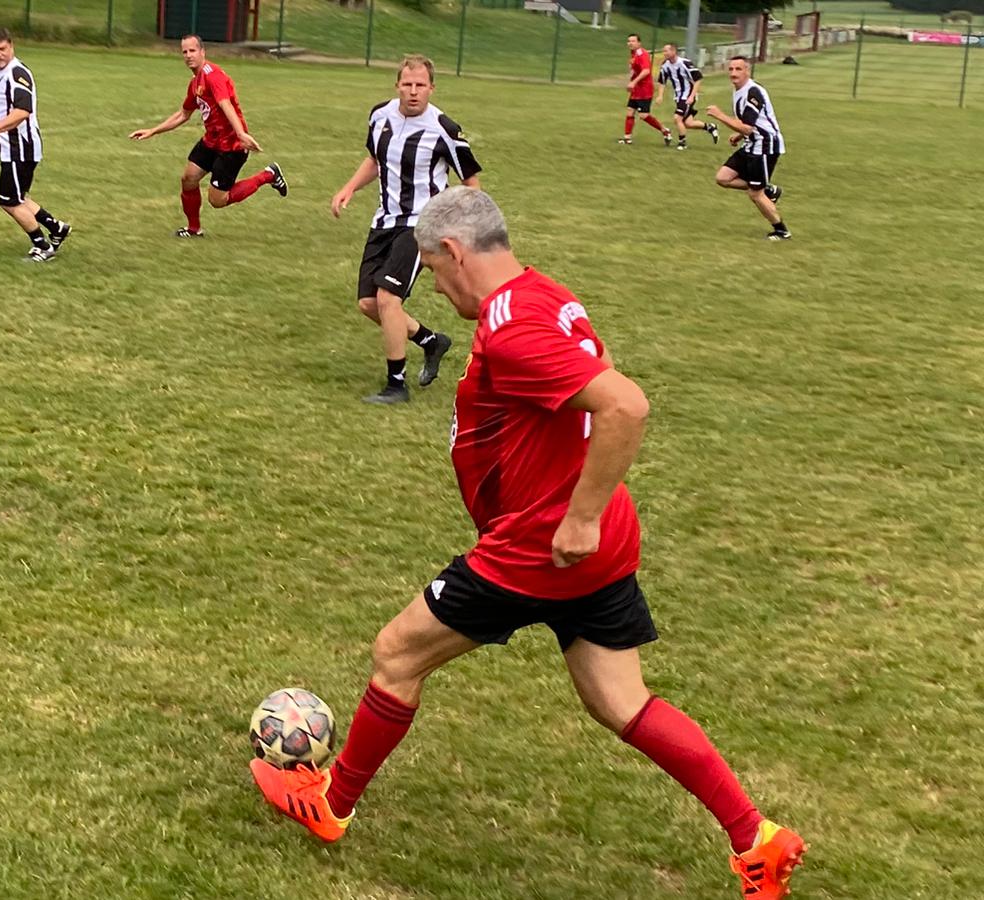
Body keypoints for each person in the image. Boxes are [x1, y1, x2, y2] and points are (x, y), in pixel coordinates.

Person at [249, 187, 809, 900]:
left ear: (455, 253)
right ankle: (757, 839)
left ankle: (331, 805)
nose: (435, 286)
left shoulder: (512, 327)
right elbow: (597, 376)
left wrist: (578, 516)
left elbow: (625, 404)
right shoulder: (545, 294)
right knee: (620, 701)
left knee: (397, 654)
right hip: (597, 547)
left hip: (539, 548)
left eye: (432, 268)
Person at [330, 54, 477, 405]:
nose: (413, 91)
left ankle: (396, 385)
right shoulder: (379, 116)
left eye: (420, 85)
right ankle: (431, 341)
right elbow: (374, 160)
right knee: (369, 304)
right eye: (407, 84)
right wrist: (349, 188)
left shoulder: (445, 129)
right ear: (397, 85)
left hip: (422, 224)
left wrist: (466, 229)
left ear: (431, 88)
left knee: (388, 298)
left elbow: (471, 182)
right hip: (384, 221)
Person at [128, 35, 286, 238]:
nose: (188, 55)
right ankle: (194, 229)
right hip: (212, 140)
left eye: (192, 51)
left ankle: (269, 175)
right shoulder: (195, 83)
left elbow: (225, 104)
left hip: (231, 145)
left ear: (203, 52)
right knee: (188, 178)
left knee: (217, 200)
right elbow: (183, 114)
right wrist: (153, 130)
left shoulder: (213, 75)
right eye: (184, 52)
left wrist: (241, 134)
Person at [0, 27, 71, 262]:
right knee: (19, 197)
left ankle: (42, 246)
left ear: (11, 46)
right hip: (9, 148)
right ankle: (57, 228)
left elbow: (22, 111)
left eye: (2, 49)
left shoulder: (17, 73)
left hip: (19, 148)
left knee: (9, 202)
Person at [706, 56, 790, 240]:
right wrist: (739, 135)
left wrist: (720, 115)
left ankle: (781, 230)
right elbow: (750, 124)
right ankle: (768, 189)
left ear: (747, 71)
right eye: (731, 69)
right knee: (723, 178)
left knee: (755, 194)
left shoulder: (753, 92)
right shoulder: (739, 90)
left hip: (765, 145)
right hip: (751, 143)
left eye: (738, 69)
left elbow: (747, 127)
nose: (733, 73)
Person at [655, 43, 720, 150]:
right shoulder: (665, 65)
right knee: (688, 123)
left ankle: (682, 143)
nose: (664, 53)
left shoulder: (685, 63)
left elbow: (698, 79)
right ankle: (710, 127)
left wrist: (692, 96)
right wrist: (660, 95)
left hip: (687, 96)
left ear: (673, 51)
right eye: (664, 51)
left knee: (677, 118)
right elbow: (662, 81)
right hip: (678, 97)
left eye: (666, 51)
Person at [620, 34, 672, 146]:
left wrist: (634, 82)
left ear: (639, 43)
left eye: (633, 41)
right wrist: (631, 80)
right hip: (636, 89)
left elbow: (646, 71)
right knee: (630, 111)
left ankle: (665, 130)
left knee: (643, 115)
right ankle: (627, 138)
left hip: (644, 89)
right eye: (629, 41)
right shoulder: (633, 54)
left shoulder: (642, 54)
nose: (630, 43)